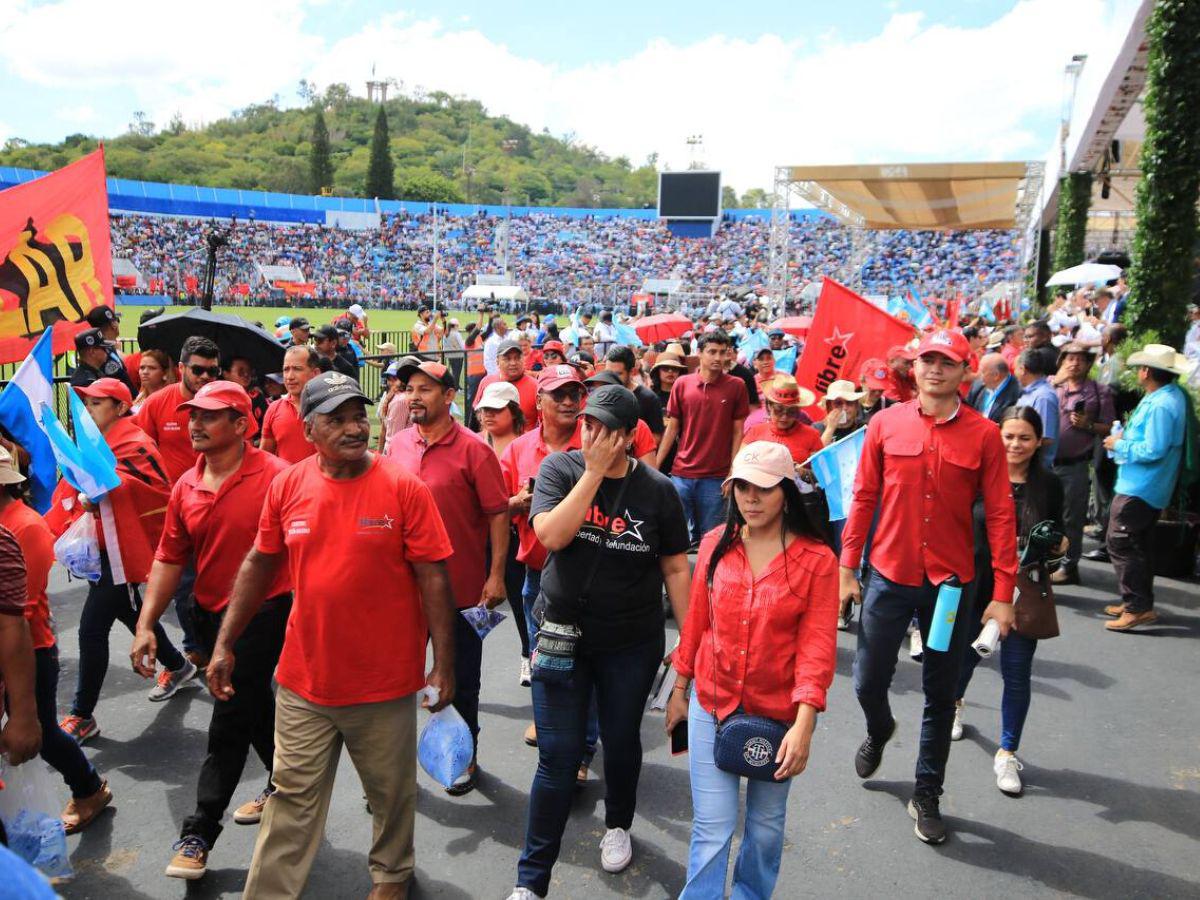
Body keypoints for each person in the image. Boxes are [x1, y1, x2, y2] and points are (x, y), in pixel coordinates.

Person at [211, 372, 457, 899]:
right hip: (305, 680)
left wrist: (443, 664)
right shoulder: (288, 485)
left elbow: (433, 576)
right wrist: (225, 642)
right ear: (308, 429)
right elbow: (260, 561)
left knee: (389, 793)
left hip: (383, 682)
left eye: (357, 417)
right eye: (336, 419)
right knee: (290, 798)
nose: (353, 429)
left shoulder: (403, 488)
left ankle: (391, 874)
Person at [508, 384, 691, 899]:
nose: (592, 435)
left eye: (606, 429)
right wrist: (592, 473)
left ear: (630, 436)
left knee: (621, 738)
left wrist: (691, 643)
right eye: (588, 424)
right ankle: (530, 882)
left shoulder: (657, 491)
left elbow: (676, 568)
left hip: (629, 641)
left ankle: (618, 824)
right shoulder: (560, 469)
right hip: (561, 635)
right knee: (557, 757)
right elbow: (551, 535)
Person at [839, 329, 1018, 845]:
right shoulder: (884, 423)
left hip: (950, 587)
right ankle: (879, 728)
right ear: (914, 369)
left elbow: (1001, 515)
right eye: (927, 361)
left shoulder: (985, 434)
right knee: (867, 680)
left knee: (941, 693)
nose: (936, 369)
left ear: (965, 371)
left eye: (947, 362)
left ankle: (927, 793)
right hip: (889, 576)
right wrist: (847, 567)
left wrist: (1002, 594)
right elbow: (863, 496)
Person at [128, 381, 292, 880]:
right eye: (192, 415)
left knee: (228, 716)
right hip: (207, 612)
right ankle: (287, 785)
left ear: (242, 425)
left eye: (209, 416)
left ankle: (199, 830)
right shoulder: (186, 484)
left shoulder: (278, 477)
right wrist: (145, 623)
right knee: (253, 706)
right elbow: (169, 556)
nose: (195, 424)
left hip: (264, 614)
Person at [668, 441, 838, 899]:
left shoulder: (817, 560)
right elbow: (696, 623)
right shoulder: (713, 544)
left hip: (778, 717)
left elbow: (817, 649)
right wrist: (680, 690)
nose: (751, 498)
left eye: (763, 488)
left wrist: (804, 725)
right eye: (742, 487)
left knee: (764, 829)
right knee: (712, 826)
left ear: (786, 491)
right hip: (711, 703)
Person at [388, 360, 510, 795]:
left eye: (424, 389)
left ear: (449, 396)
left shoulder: (475, 449)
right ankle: (392, 769)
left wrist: (496, 576)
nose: (414, 397)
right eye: (409, 389)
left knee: (460, 680)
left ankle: (463, 758)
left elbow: (498, 514)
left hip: (461, 590)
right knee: (396, 682)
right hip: (403, 590)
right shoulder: (398, 444)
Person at [56, 379, 196, 744]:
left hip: (123, 551)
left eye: (97, 403)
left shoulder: (135, 441)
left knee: (91, 629)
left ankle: (82, 715)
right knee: (132, 613)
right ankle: (179, 666)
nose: (88, 410)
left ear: (120, 407)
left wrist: (103, 489)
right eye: (86, 403)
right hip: (103, 547)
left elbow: (156, 490)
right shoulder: (94, 442)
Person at [952, 406, 1067, 796]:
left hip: (1022, 593)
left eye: (1025, 438)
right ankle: (955, 704)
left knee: (1017, 673)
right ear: (995, 436)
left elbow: (1061, 540)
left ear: (1038, 442)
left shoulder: (1049, 485)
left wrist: (1057, 545)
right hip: (975, 588)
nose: (1016, 445)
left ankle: (1007, 752)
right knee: (965, 659)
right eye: (1009, 436)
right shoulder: (975, 476)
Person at [0, 448, 110, 834]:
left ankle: (89, 788)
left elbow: (21, 611)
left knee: (42, 733)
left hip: (29, 651)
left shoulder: (25, 526)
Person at [500, 365, 591, 754]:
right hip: (537, 572)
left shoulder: (594, 443)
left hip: (586, 573)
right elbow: (496, 507)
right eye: (559, 394)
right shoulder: (518, 449)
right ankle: (547, 719)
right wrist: (519, 502)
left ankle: (583, 743)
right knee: (543, 655)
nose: (569, 402)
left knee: (584, 658)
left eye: (575, 394)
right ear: (539, 401)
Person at [1101, 344, 1192, 632]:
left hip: (1142, 485)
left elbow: (1153, 449)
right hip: (1145, 484)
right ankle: (1138, 602)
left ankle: (1137, 606)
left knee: (1122, 542)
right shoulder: (1167, 397)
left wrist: (1119, 445)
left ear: (1146, 371)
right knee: (1135, 543)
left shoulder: (1162, 404)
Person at [658, 332, 750, 545]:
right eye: (712, 352)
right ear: (699, 353)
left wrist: (733, 472)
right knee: (677, 539)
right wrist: (655, 465)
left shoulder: (736, 386)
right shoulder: (682, 384)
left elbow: (738, 432)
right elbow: (672, 428)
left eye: (723, 352)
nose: (718, 357)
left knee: (712, 540)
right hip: (681, 474)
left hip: (716, 478)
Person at [476, 381, 532, 678]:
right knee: (478, 604)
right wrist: (510, 503)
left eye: (496, 410)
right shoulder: (473, 444)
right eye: (485, 409)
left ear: (513, 412)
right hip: (478, 539)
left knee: (521, 601)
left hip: (514, 538)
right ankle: (469, 656)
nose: (488, 415)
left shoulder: (526, 446)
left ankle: (528, 653)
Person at [1050, 342, 1115, 585]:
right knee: (1046, 516)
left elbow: (1109, 427)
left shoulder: (1099, 391)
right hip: (1047, 463)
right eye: (1070, 358)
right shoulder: (1053, 385)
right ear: (1062, 362)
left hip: (1074, 465)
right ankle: (1049, 561)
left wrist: (1088, 424)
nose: (1075, 363)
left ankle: (1069, 566)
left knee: (1071, 518)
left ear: (1088, 364)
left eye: (1080, 359)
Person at [260, 345, 321, 464]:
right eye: (286, 369)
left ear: (315, 373)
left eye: (297, 369)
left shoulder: (329, 407)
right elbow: (265, 458)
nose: (289, 377)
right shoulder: (274, 409)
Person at [744, 375, 824, 465]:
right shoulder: (755, 432)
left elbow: (823, 469)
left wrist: (801, 471)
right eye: (778, 410)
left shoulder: (812, 436)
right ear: (769, 406)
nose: (784, 417)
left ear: (798, 410)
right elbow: (739, 464)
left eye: (791, 412)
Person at [477, 339, 539, 432]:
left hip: (525, 440)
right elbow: (477, 417)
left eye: (517, 358)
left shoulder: (535, 386)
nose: (513, 363)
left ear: (523, 359)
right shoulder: (486, 382)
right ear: (497, 361)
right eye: (507, 359)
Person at [605, 345, 664, 440]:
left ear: (632, 372)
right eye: (608, 373)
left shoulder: (648, 399)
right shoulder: (603, 394)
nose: (611, 378)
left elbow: (656, 436)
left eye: (618, 374)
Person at [1015, 348, 1060, 468]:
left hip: (1036, 468)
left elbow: (1046, 438)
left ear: (1022, 369)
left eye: (1015, 368)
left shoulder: (1043, 397)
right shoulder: (1028, 393)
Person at [967, 353, 1020, 423]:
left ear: (996, 375)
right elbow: (967, 412)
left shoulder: (1017, 394)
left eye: (982, 372)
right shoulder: (977, 386)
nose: (979, 376)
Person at [819, 379, 867, 445]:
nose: (845, 407)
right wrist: (830, 428)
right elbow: (819, 451)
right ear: (829, 407)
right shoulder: (818, 428)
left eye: (849, 402)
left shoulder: (865, 428)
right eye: (838, 403)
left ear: (856, 406)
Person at [377, 361, 410, 454]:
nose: (391, 382)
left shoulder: (399, 399)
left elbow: (393, 438)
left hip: (396, 453)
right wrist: (378, 457)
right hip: (393, 453)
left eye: (394, 379)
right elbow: (384, 432)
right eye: (389, 379)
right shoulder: (391, 397)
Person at [132, 348, 174, 414]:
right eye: (142, 368)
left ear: (165, 373)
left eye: (152, 368)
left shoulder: (170, 400)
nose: (145, 372)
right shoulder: (140, 396)